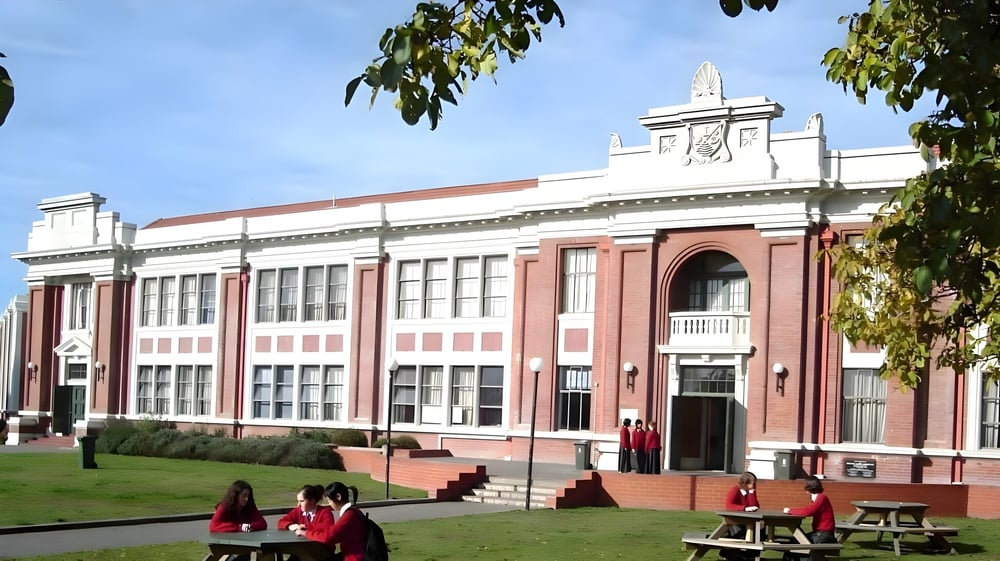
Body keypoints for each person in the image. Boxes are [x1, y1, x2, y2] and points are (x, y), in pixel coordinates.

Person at [298, 481, 366, 561]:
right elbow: (332, 531)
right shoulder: (353, 512)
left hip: (353, 558)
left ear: (338, 496)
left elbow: (328, 537)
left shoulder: (350, 515)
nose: (329, 504)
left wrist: (305, 533)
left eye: (329, 500)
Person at [208, 480, 268, 561]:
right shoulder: (224, 507)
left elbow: (263, 523)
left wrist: (250, 526)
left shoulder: (250, 506)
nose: (246, 499)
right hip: (225, 544)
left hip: (244, 545)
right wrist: (239, 528)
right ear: (235, 495)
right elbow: (214, 526)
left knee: (263, 554)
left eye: (248, 496)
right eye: (244, 495)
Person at [783, 477, 837, 560]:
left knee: (797, 542)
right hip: (820, 533)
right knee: (794, 541)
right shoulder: (817, 498)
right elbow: (808, 510)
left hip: (824, 535)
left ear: (810, 486)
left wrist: (789, 510)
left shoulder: (821, 497)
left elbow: (809, 511)